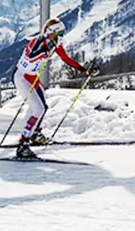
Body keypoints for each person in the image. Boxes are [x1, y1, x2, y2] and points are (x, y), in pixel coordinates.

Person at [12, 17, 97, 159]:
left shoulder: (54, 43)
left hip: (32, 77)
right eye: (59, 33)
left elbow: (65, 58)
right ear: (51, 32)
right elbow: (31, 56)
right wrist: (45, 51)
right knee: (38, 109)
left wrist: (84, 71)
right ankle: (23, 144)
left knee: (43, 107)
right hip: (22, 77)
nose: (61, 37)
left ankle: (35, 134)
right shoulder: (37, 41)